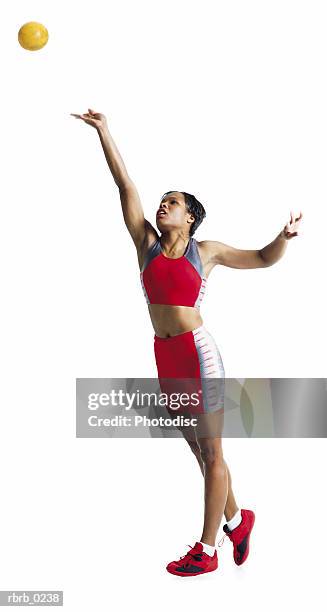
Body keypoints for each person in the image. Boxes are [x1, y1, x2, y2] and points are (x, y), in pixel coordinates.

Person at [71, 108, 303, 576]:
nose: (163, 206)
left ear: (191, 216)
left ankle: (207, 548)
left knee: (213, 450)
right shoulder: (146, 244)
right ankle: (238, 520)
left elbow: (261, 258)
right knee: (199, 450)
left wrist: (283, 237)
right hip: (165, 354)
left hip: (199, 353)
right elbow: (126, 187)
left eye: (173, 203)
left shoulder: (207, 251)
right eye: (163, 202)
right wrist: (105, 131)